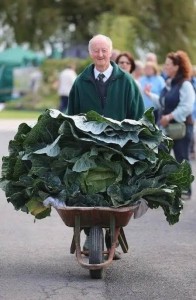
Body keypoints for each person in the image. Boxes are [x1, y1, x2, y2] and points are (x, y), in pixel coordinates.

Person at [68, 34, 144, 258]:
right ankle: (89, 232)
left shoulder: (127, 82)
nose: (100, 55)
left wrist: (134, 146)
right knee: (85, 193)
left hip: (121, 152)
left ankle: (112, 235)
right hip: (88, 152)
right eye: (96, 51)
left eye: (104, 50)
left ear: (110, 53)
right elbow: (71, 119)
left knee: (118, 195)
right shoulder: (80, 83)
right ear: (90, 53)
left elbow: (139, 117)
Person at [144, 51, 195, 198]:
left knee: (182, 158)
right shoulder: (169, 83)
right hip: (167, 129)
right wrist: (150, 95)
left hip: (182, 128)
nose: (165, 66)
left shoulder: (185, 84)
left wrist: (170, 116)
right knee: (161, 155)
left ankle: (185, 190)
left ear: (177, 66)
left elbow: (187, 107)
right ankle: (164, 188)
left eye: (168, 64)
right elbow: (163, 102)